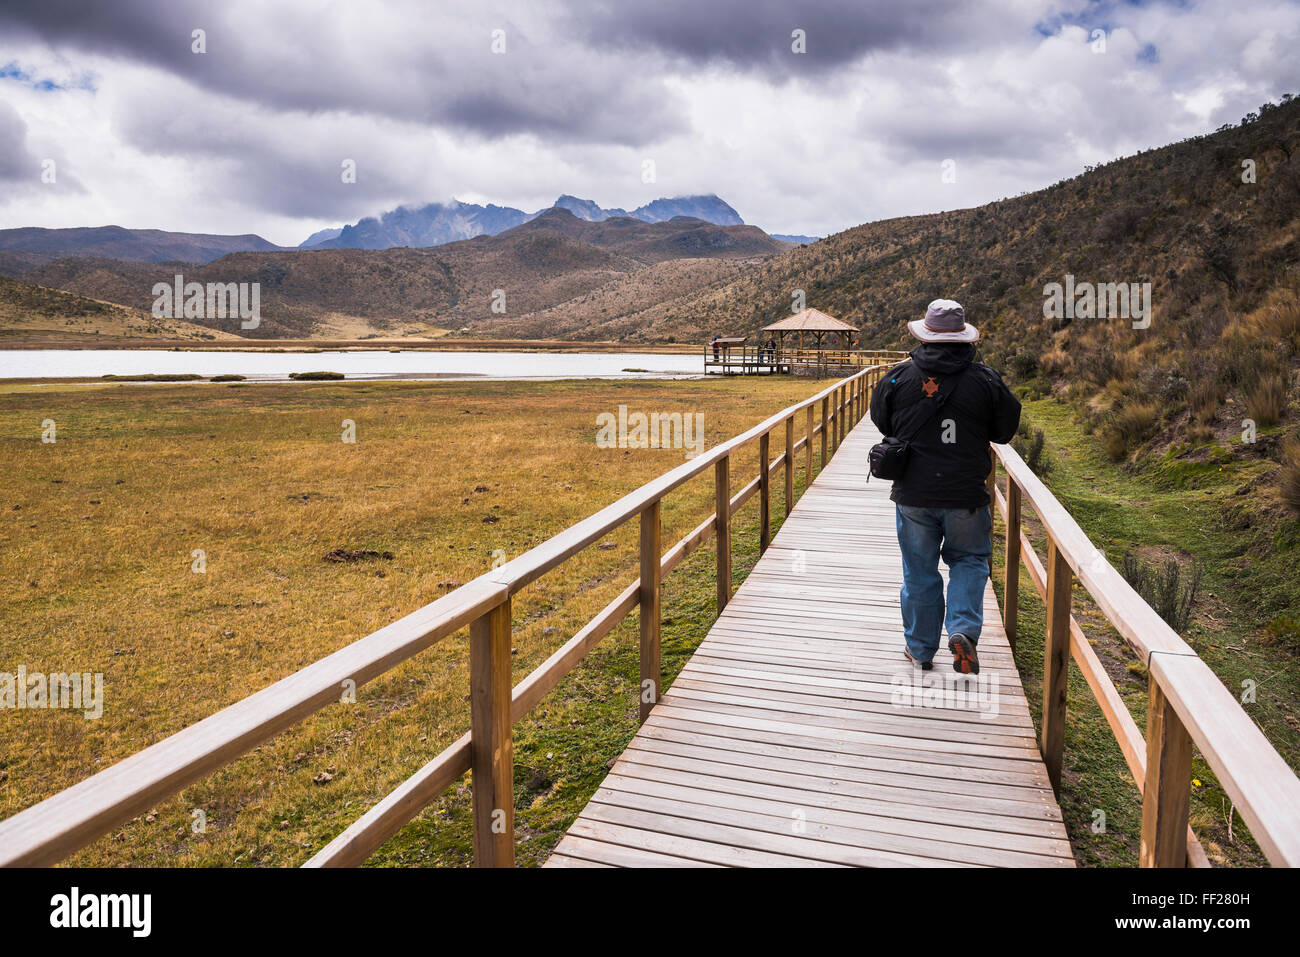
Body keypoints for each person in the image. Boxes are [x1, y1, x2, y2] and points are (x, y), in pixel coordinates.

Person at [869, 299, 1020, 674]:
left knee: (919, 571)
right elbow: (1004, 432)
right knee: (969, 560)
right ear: (964, 339)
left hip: (913, 494)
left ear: (925, 335)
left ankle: (920, 649)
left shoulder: (896, 378)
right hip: (966, 494)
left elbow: (883, 424)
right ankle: (963, 630)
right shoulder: (986, 380)